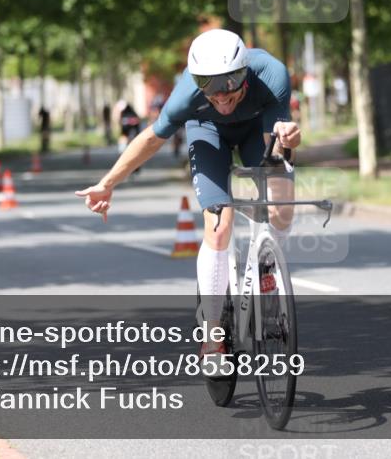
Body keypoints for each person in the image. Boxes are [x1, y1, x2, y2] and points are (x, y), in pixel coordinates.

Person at [76, 29, 301, 355]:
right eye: (207, 84)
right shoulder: (187, 94)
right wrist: (107, 183)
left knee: (282, 204)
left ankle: (267, 266)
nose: (220, 94)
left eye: (229, 82)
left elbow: (276, 148)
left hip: (257, 130)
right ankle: (213, 335)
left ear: (244, 72)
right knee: (219, 225)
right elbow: (151, 139)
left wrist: (289, 141)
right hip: (207, 132)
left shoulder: (272, 74)